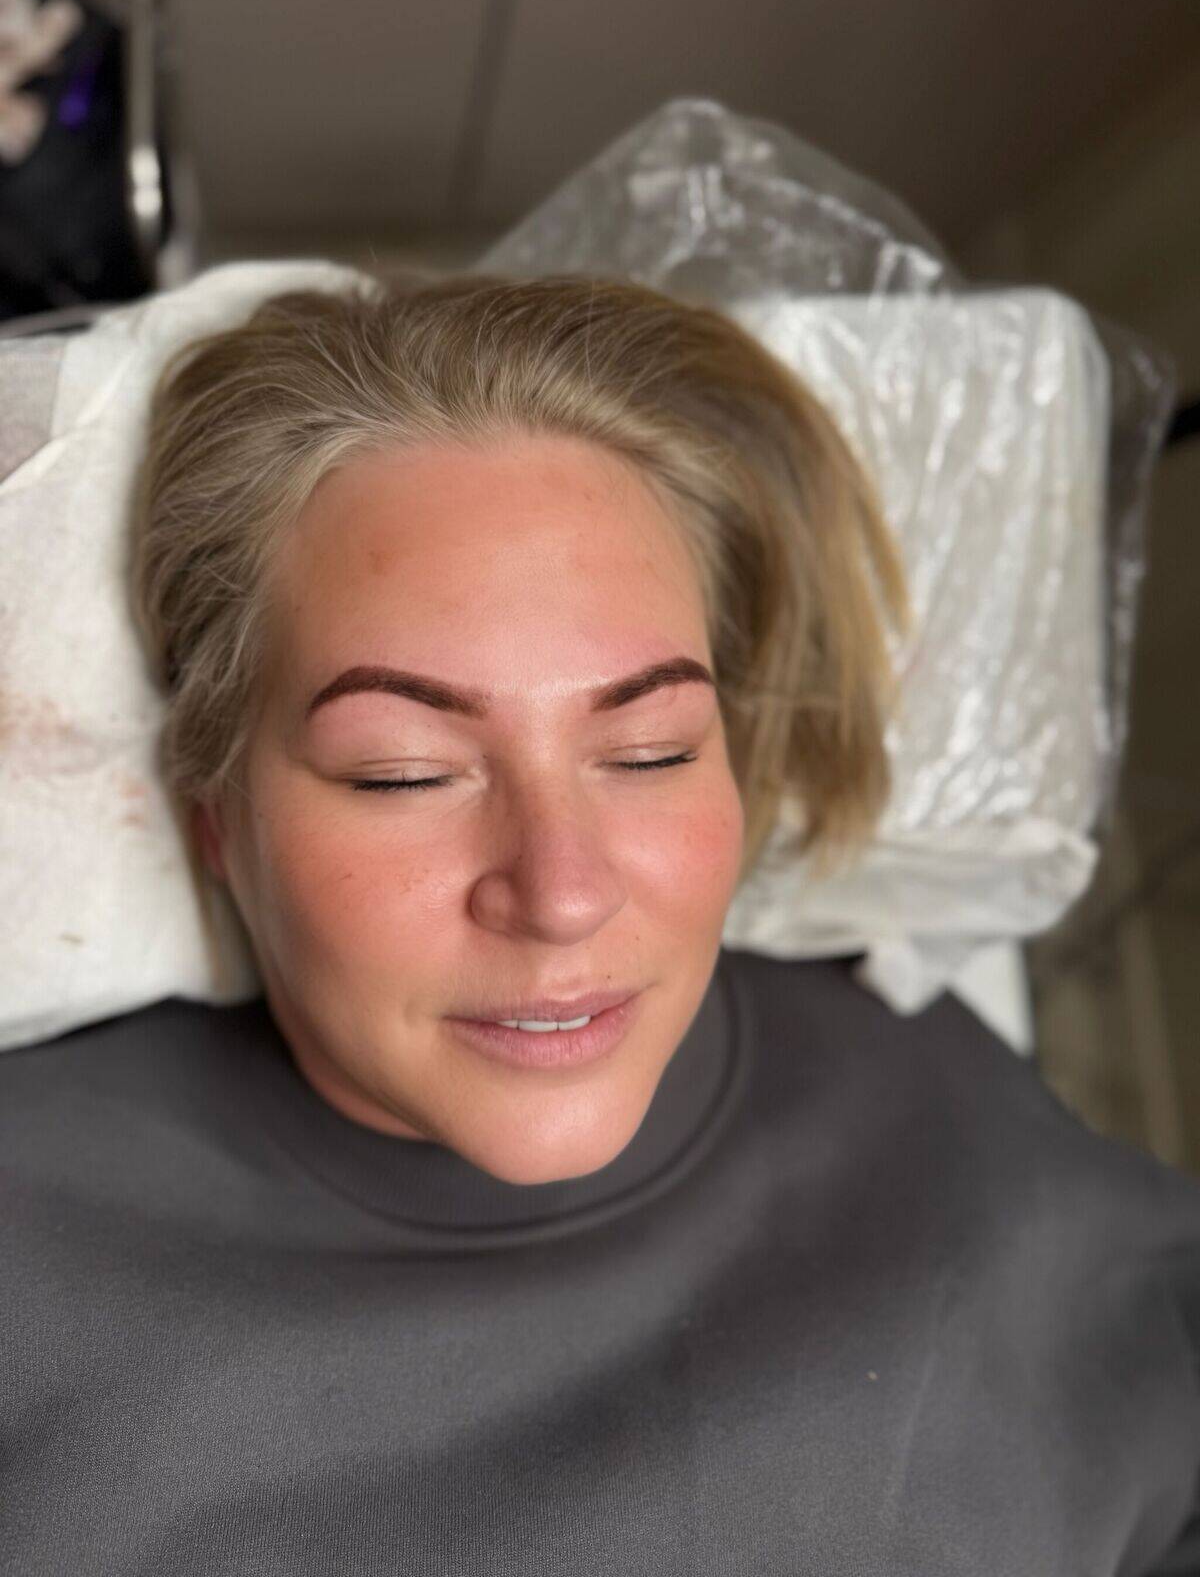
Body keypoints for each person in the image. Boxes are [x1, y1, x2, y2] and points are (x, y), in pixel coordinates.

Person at [2, 272, 1198, 1575]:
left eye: (649, 751)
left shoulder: (962, 1146)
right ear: (215, 820)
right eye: (404, 773)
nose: (562, 892)